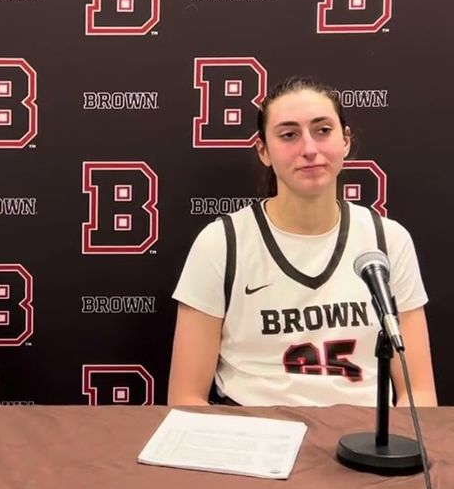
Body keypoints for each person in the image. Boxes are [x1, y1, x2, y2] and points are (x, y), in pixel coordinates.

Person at [168, 77, 438, 407]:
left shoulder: (387, 240)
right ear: (263, 151)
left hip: (360, 437)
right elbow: (186, 397)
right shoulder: (222, 243)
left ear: (346, 141)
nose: (309, 149)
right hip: (253, 435)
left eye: (323, 130)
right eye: (289, 135)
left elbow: (419, 392)